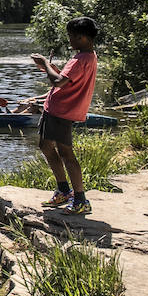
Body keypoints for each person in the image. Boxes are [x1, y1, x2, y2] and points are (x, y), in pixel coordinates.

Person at [31, 17, 99, 216]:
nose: (69, 40)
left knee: (66, 154)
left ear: (82, 37)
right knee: (45, 145)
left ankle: (80, 199)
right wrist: (48, 69)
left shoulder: (80, 59)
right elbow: (67, 80)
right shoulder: (89, 56)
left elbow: (59, 83)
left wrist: (44, 62)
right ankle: (63, 190)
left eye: (71, 36)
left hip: (61, 111)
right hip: (57, 110)